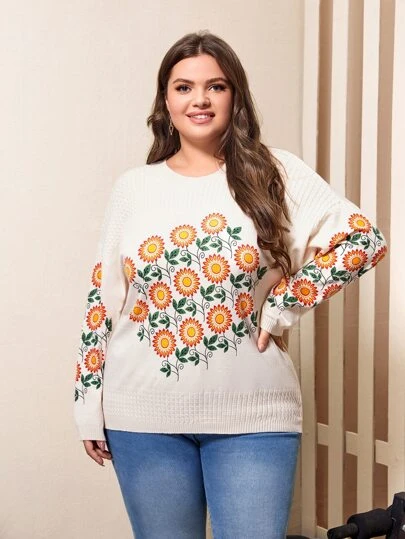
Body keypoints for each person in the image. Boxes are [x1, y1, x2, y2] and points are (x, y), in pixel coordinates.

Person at [73, 30, 388, 539]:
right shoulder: (134, 188)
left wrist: (283, 305)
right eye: (184, 87)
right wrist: (88, 406)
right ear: (166, 101)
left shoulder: (275, 171)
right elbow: (102, 303)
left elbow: (362, 240)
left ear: (234, 96)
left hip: (254, 414)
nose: (199, 99)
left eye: (215, 86)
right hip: (142, 417)